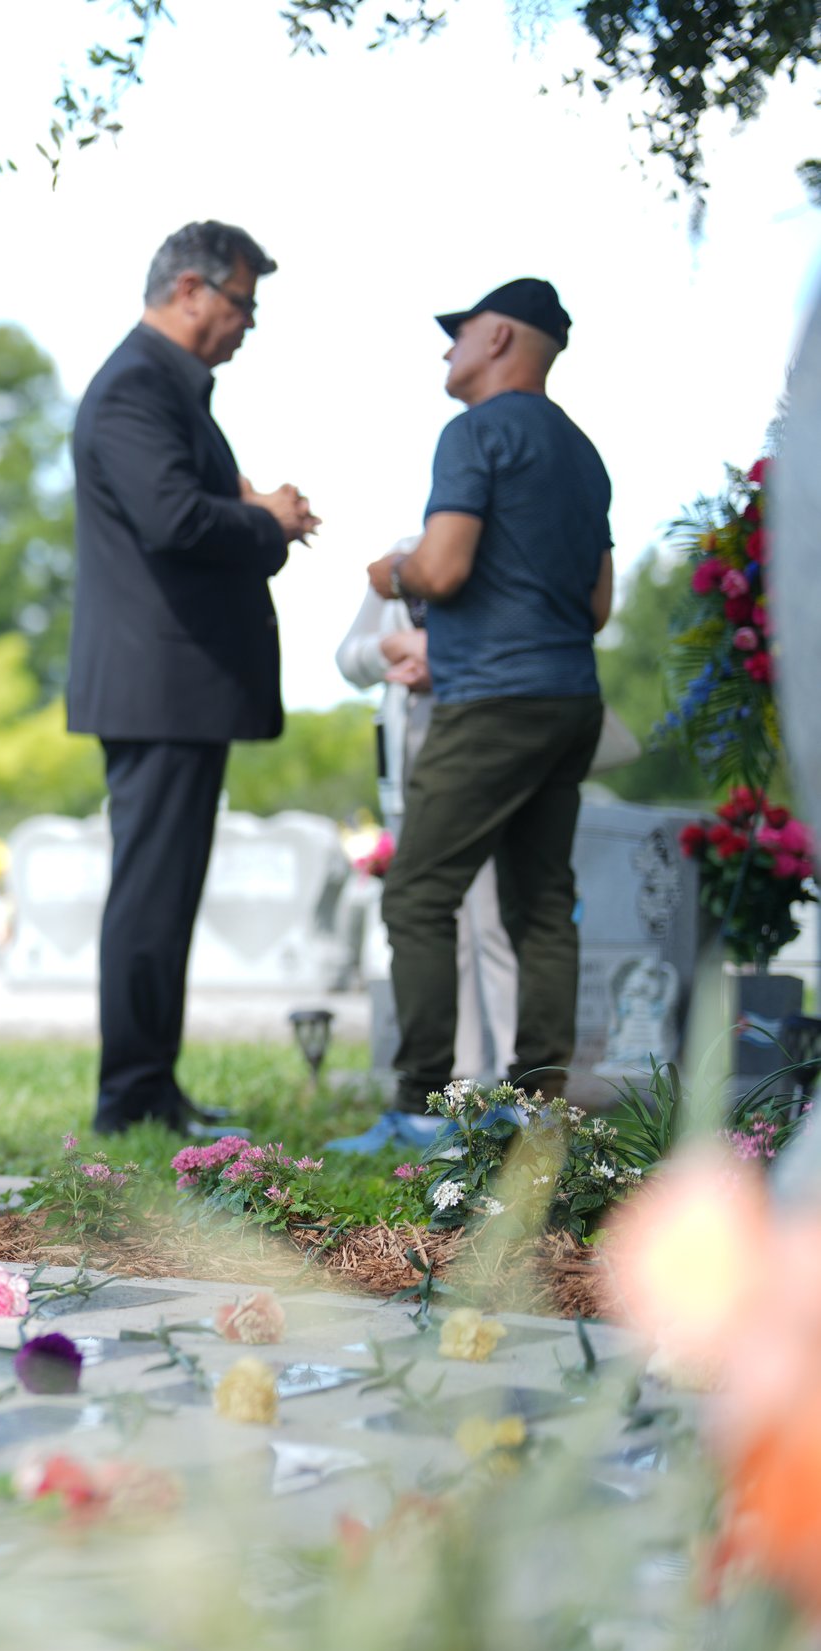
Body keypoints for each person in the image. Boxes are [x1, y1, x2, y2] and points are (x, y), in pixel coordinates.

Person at [66, 221, 318, 1138]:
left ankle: (151, 1087)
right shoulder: (138, 385)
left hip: (171, 685)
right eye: (241, 301)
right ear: (188, 289)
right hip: (157, 683)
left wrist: (252, 512)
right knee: (151, 892)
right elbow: (174, 520)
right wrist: (270, 521)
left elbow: (181, 507)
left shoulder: (169, 390)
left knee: (166, 893)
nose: (249, 322)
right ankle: (130, 1097)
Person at [366, 277, 614, 1119]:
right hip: (570, 697)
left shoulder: (474, 433)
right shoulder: (584, 455)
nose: (448, 348)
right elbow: (597, 606)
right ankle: (538, 1102)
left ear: (501, 337)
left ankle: (418, 1108)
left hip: (493, 702)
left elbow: (441, 567)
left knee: (417, 893)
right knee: (542, 901)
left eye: (459, 332)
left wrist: (389, 573)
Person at [324, 548, 520, 1154]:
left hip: (489, 756)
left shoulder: (497, 558)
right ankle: (450, 1092)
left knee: (496, 921)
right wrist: (394, 651)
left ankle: (516, 1090)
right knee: (438, 925)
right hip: (413, 770)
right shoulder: (401, 567)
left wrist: (448, 661)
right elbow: (349, 657)